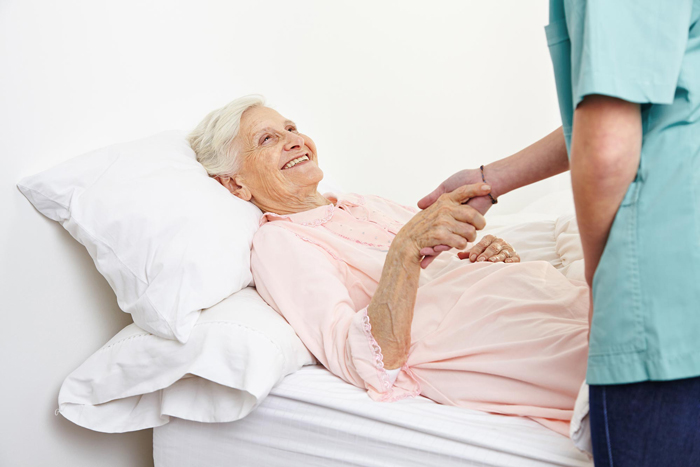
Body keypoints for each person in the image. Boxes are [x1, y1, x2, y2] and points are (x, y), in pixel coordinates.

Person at [188, 95, 590, 437]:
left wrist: (489, 255)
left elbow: (442, 261)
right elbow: (362, 358)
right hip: (486, 336)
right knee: (614, 364)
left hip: (536, 297)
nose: (294, 140)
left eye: (291, 128)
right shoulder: (280, 240)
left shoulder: (363, 203)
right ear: (236, 184)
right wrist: (406, 247)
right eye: (268, 139)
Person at [419, 1, 700, 464]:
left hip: (665, 289)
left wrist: (603, 286)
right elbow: (636, 99)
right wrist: (490, 180)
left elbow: (605, 144)